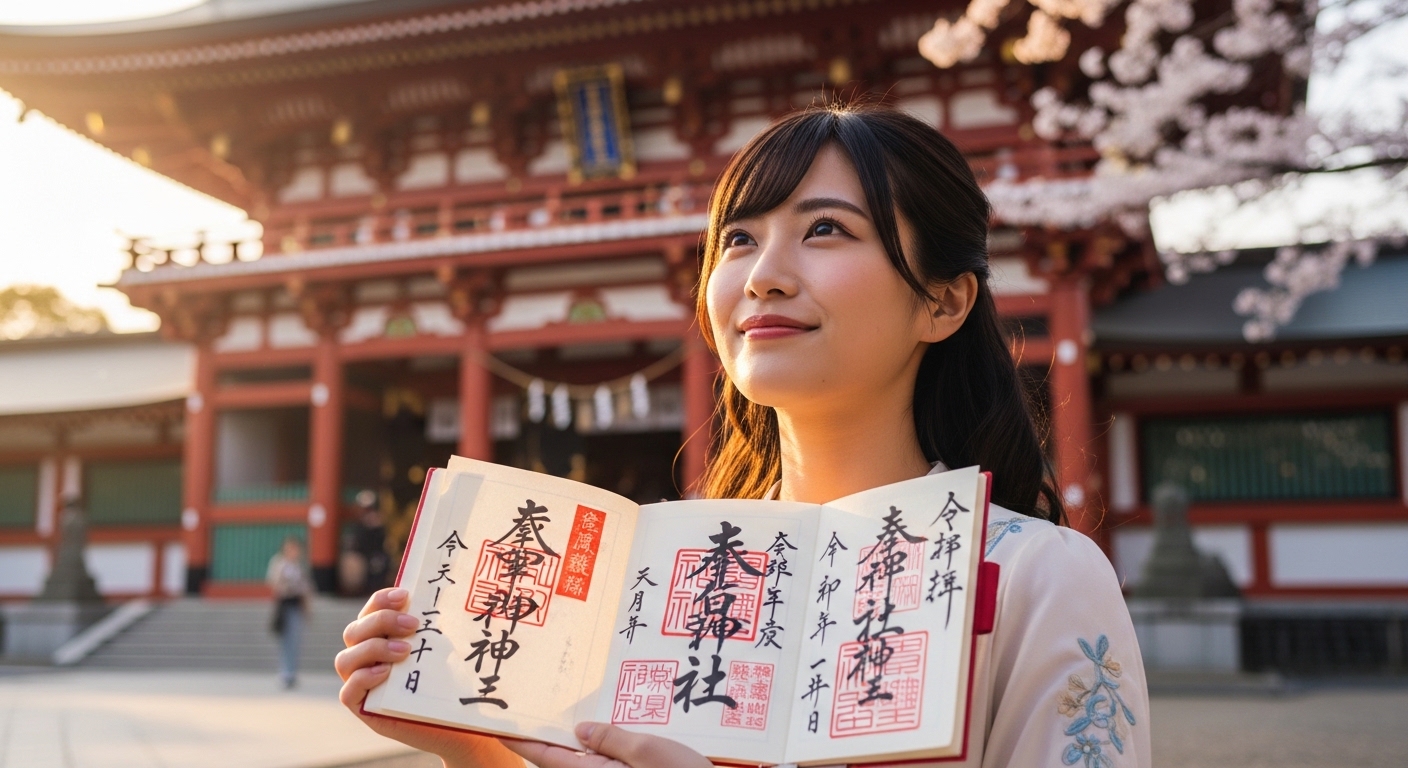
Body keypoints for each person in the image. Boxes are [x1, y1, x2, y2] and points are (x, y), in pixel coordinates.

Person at [336, 103, 1150, 767]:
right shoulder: (660, 577)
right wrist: (477, 749)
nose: (763, 275)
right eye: (739, 239)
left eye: (825, 230)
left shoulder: (1037, 577)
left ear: (943, 302)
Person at [267, 535, 313, 689]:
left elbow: (306, 588)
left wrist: (307, 608)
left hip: (297, 605)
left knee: (296, 640)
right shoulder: (279, 564)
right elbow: (275, 583)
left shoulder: (300, 566)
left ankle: (292, 672)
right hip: (285, 605)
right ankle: (285, 672)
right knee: (285, 640)